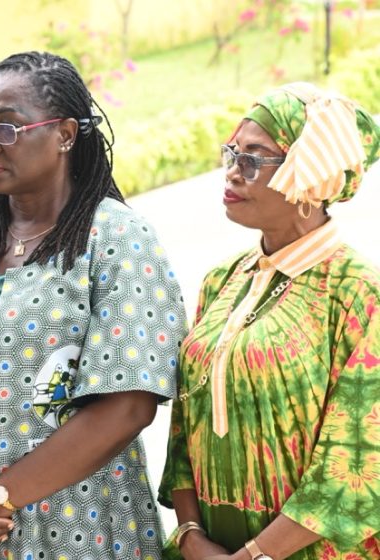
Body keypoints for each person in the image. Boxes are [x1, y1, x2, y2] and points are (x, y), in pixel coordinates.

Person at [0, 51, 187, 560]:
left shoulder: (117, 237)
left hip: (77, 519)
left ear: (65, 135)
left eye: (8, 128)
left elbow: (129, 405)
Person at [159, 83, 380, 560]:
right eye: (232, 153)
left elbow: (360, 462)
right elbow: (184, 427)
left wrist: (257, 555)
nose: (233, 173)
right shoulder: (223, 280)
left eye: (254, 159)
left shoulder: (358, 293)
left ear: (310, 176)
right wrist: (192, 538)